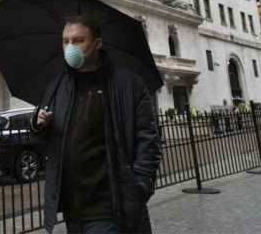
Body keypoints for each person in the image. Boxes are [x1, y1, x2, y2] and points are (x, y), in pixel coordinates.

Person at [30, 15, 162, 234]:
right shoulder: (57, 86)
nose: (70, 47)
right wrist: (39, 126)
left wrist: (138, 189)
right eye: (65, 41)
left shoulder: (128, 83)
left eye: (78, 40)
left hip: (110, 211)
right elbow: (51, 140)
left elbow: (148, 140)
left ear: (97, 43)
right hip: (73, 212)